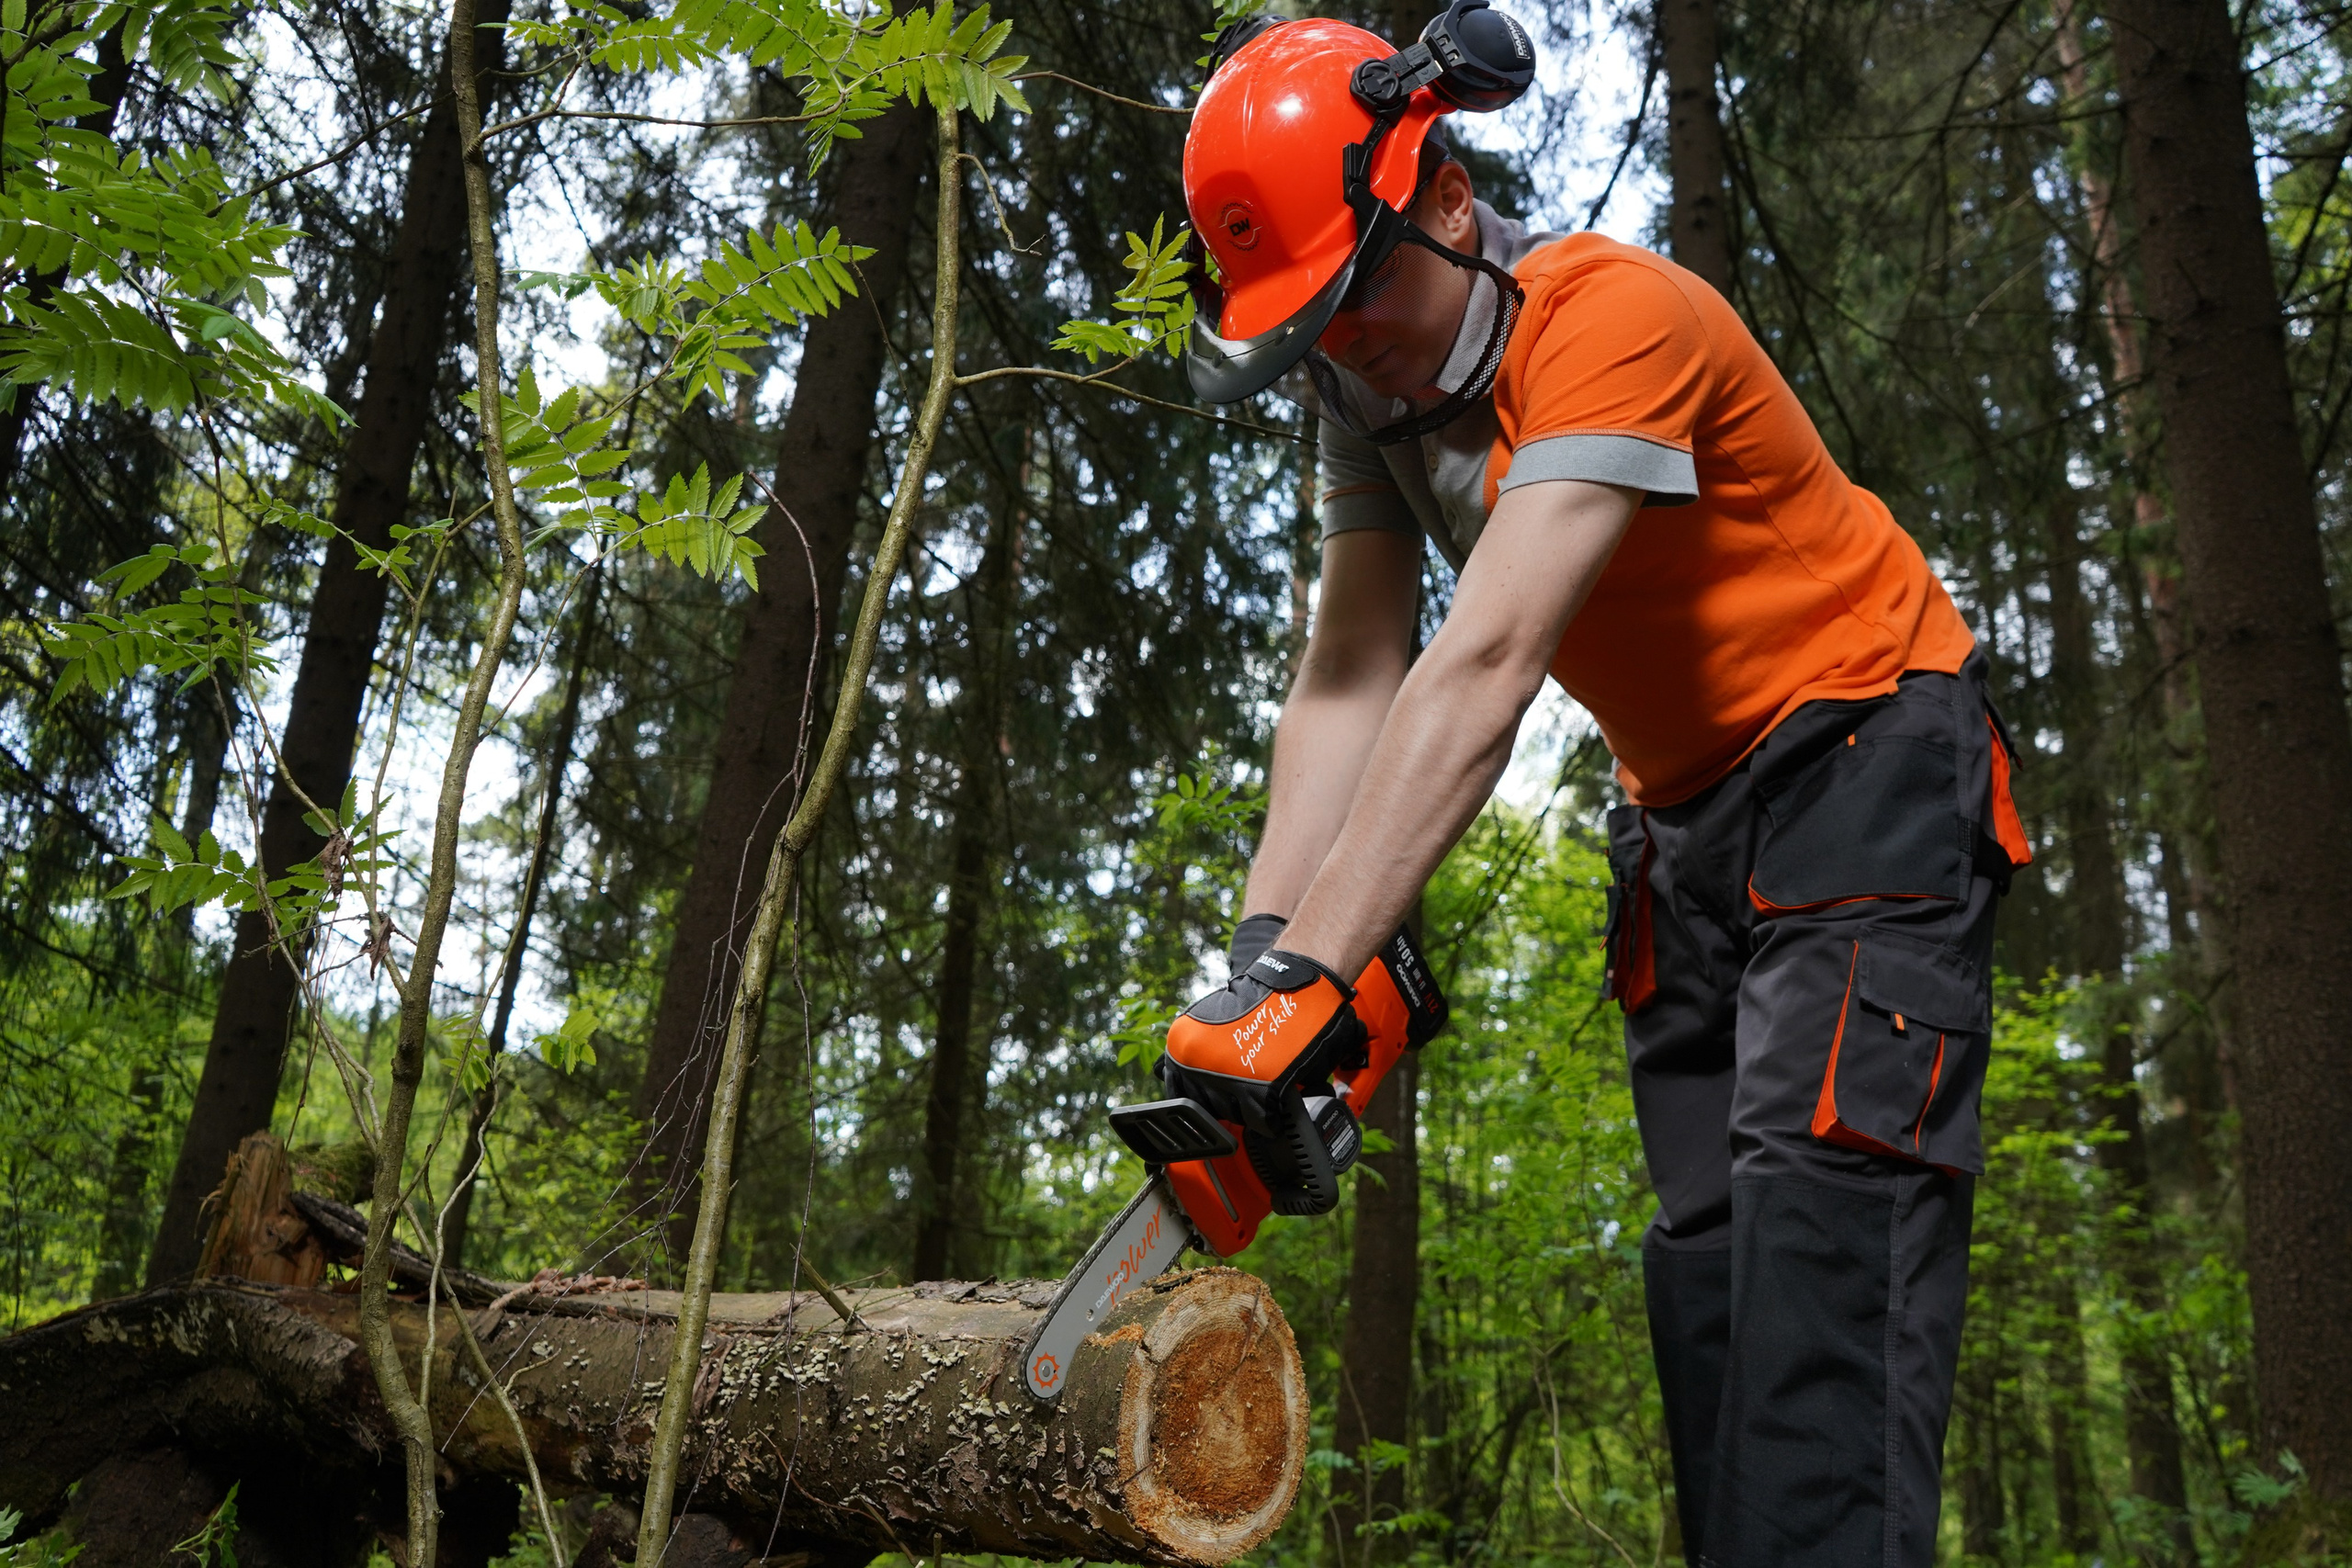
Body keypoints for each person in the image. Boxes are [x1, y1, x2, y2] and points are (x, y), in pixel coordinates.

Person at [1150, 9, 2033, 1565]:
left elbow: (1486, 659)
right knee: (1710, 1288)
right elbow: (1352, 671)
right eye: (1312, 321)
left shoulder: (1608, 314)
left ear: (1435, 196)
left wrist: (1317, 970)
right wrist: (1266, 978)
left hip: (1866, 769)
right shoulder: (1360, 396)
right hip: (1686, 835)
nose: (1347, 339)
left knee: (1822, 1274)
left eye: (1358, 293)